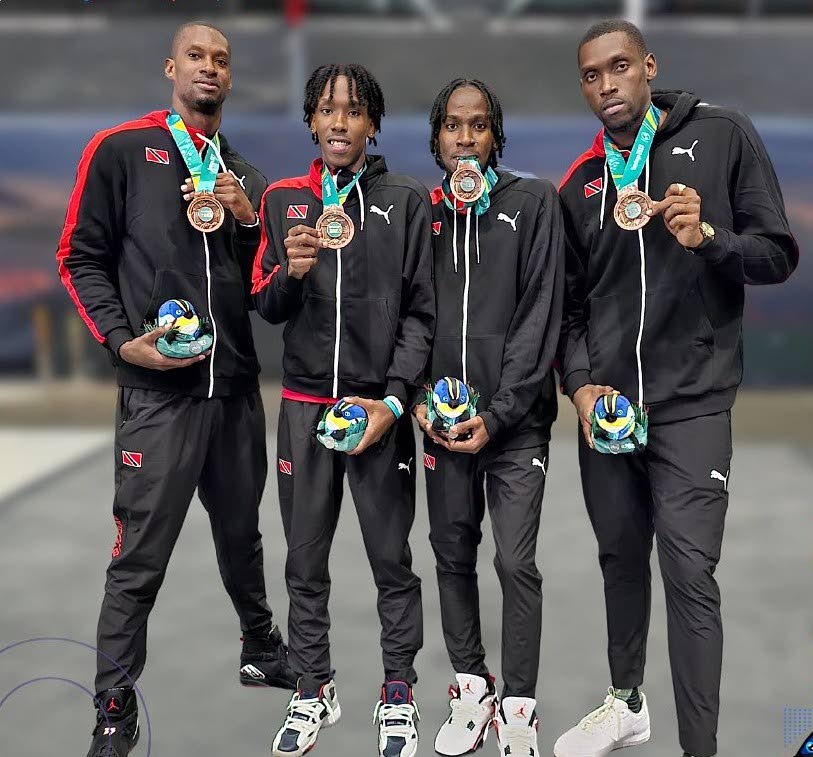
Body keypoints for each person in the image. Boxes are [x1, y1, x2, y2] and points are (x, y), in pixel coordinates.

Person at [554, 19, 798, 757]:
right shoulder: (582, 182)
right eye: (592, 75)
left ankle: (700, 748)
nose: (606, 86)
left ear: (647, 66)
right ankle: (625, 704)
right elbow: (565, 307)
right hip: (609, 410)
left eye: (619, 68)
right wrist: (579, 387)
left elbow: (777, 252)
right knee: (619, 561)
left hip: (692, 400)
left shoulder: (721, 136)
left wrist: (710, 239)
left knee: (688, 571)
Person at [56, 22, 296, 757]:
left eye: (222, 60)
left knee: (242, 537)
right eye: (197, 56)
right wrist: (120, 340)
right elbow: (77, 255)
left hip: (233, 397)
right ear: (171, 67)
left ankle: (261, 646)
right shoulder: (121, 150)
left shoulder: (244, 176)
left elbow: (264, 294)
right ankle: (112, 710)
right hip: (159, 397)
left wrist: (254, 223)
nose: (210, 69)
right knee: (138, 559)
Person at [250, 63, 435, 757]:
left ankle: (397, 691)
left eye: (353, 111)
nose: (338, 122)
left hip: (375, 411)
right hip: (302, 406)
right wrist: (290, 275)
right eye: (326, 110)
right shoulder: (281, 200)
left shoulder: (405, 200)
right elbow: (265, 307)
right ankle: (312, 685)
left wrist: (392, 399)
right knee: (304, 560)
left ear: (372, 124)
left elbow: (422, 312)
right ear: (309, 121)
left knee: (391, 558)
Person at [413, 78, 564, 757]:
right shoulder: (424, 212)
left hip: (515, 423)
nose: (465, 137)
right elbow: (408, 315)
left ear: (494, 135)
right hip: (443, 423)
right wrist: (417, 393)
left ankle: (520, 708)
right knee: (450, 552)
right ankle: (471, 689)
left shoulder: (532, 202)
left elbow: (540, 317)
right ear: (438, 136)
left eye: (477, 125)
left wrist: (500, 413)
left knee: (515, 559)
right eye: (453, 125)